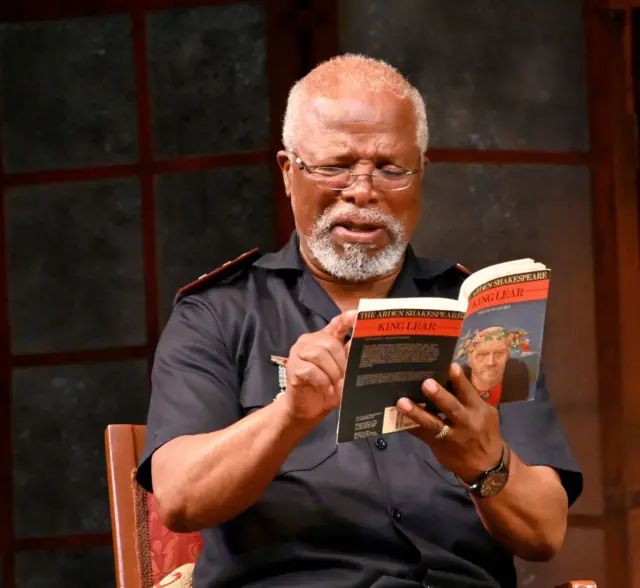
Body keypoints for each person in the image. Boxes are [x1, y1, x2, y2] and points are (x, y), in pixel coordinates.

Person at [136, 54, 582, 588]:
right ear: (288, 172)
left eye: (391, 169)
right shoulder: (219, 313)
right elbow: (180, 500)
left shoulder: (482, 317)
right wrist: (289, 416)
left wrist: (483, 463)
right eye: (335, 166)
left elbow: (546, 532)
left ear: (421, 174)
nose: (363, 191)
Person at [461, 327, 531, 404]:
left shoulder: (518, 381)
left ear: (508, 356)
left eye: (499, 353)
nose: (491, 362)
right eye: (482, 354)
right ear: (469, 360)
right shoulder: (455, 384)